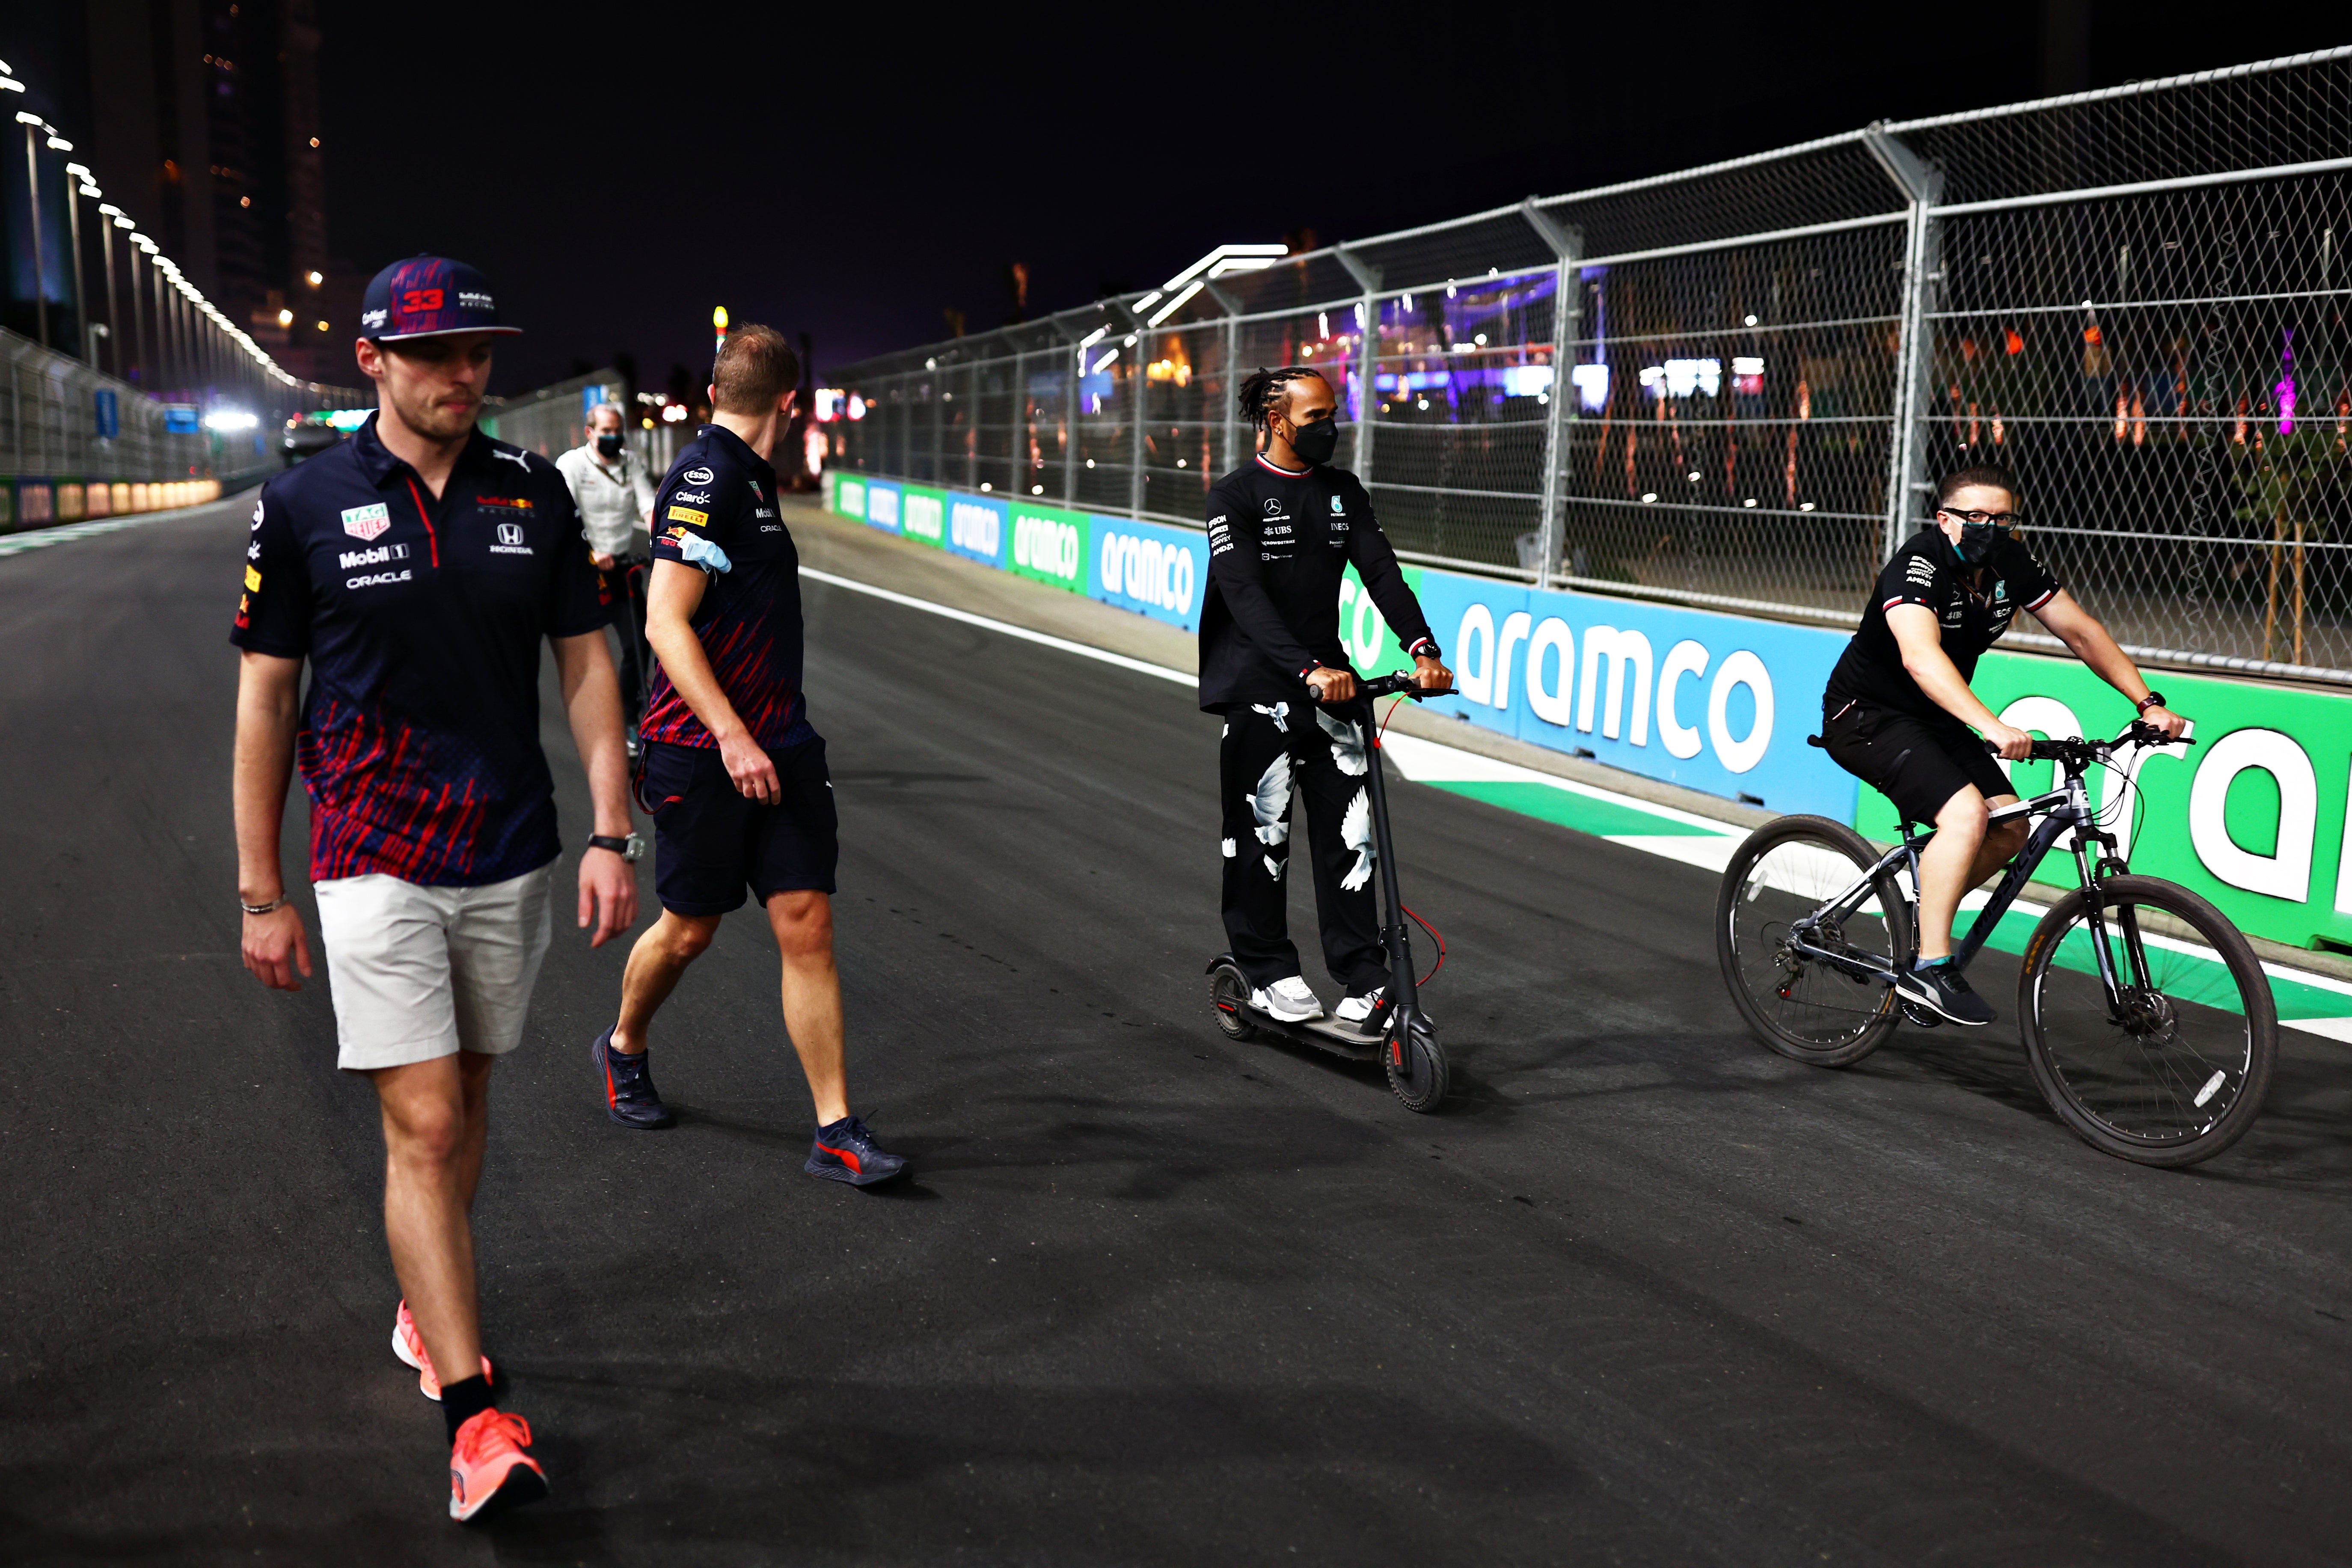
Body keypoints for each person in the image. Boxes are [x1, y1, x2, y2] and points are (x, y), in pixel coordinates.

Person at [232, 255, 638, 1523]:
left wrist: (610, 828)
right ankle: (474, 1418)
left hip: (508, 848)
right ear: (373, 360)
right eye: (433, 355)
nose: (462, 375)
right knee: (427, 1127)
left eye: (477, 355)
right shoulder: (302, 503)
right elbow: (266, 700)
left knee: (464, 1101)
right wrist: (260, 890)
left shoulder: (533, 493)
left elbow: (584, 664)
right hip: (367, 855)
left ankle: (427, 1306)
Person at [591, 324, 906, 1187]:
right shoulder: (707, 475)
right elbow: (663, 620)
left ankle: (835, 1128)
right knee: (690, 929)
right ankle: (623, 1047)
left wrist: (765, 735)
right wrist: (732, 734)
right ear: (792, 403)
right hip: (701, 750)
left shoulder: (755, 479)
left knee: (808, 925)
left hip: (785, 748)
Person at [1819, 463, 2189, 1025]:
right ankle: (1930, 966)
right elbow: (1921, 657)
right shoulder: (1918, 564)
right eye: (1975, 517)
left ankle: (1924, 924)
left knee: (2010, 826)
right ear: (1944, 520)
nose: (1990, 527)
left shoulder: (2009, 561)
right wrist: (1991, 726)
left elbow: (2081, 631)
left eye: (2002, 517)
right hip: (1867, 715)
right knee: (1966, 815)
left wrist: (2146, 702)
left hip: (1934, 718)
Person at [1200, 366, 1452, 1028]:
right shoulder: (1236, 497)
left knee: (1354, 836)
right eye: (1317, 418)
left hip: (1329, 685)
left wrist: (1421, 648)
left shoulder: (1343, 493)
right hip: (1260, 685)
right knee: (1264, 836)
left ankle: (1364, 976)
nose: (1332, 428)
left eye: (1333, 414)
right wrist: (1306, 666)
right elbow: (1245, 599)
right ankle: (1266, 970)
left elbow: (1381, 572)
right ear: (1277, 421)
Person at [555, 402, 658, 745]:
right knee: (586, 651)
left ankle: (628, 717)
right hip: (584, 570)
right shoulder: (571, 464)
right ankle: (588, 716)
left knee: (641, 643)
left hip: (621, 568)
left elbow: (648, 506)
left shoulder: (631, 464)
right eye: (606, 431)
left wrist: (665, 541)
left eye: (618, 431)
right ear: (590, 433)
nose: (614, 437)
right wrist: (591, 552)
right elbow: (565, 515)